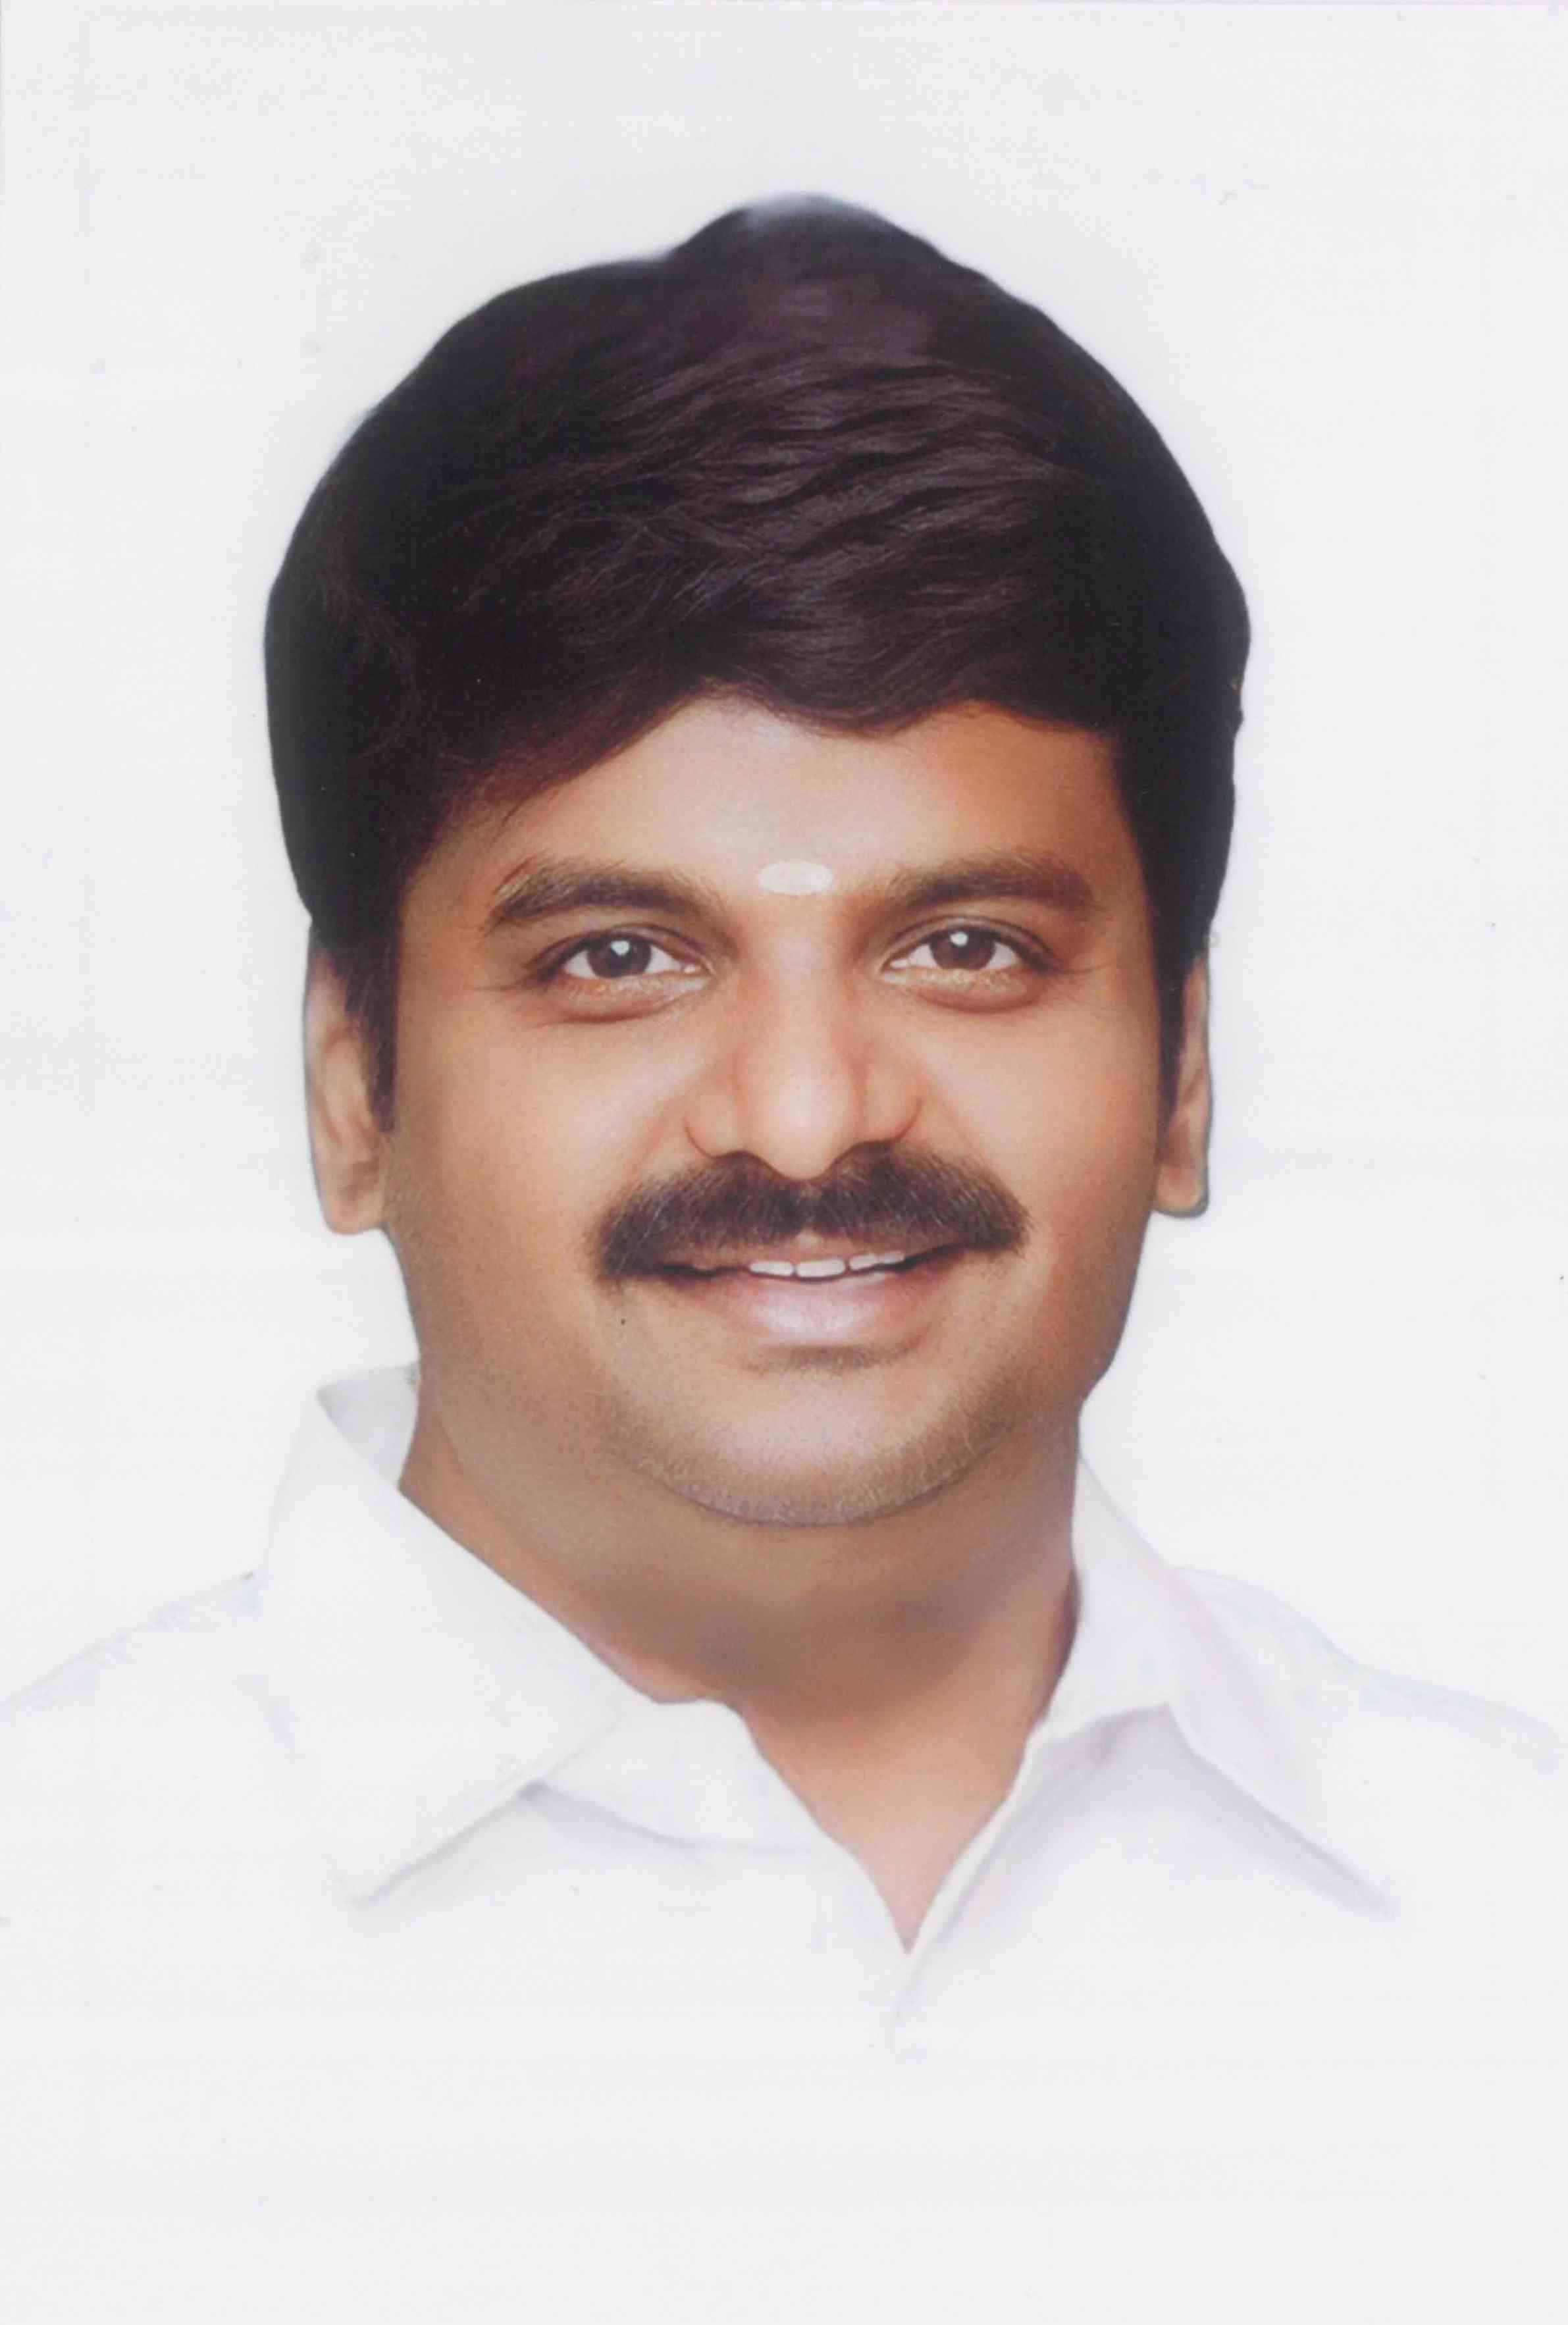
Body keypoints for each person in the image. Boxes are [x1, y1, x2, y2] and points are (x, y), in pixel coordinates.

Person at [3, 198, 1560, 2323]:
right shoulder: (52, 1966)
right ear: (352, 1083)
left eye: (967, 946)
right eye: (620, 957)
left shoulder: (1515, 1942)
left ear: (1183, 1074)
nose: (812, 1115)